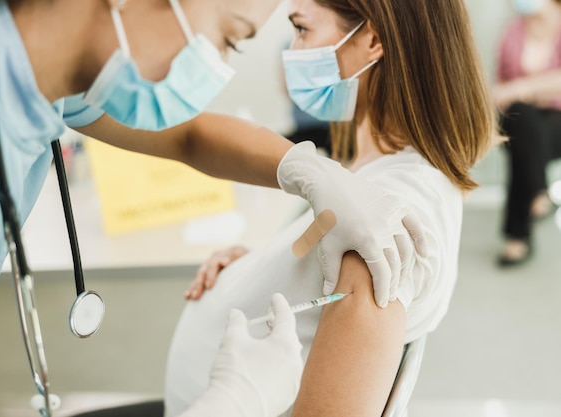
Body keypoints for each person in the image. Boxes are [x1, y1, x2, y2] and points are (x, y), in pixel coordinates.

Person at [0, 0, 430, 415]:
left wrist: (310, 172)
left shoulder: (41, 70)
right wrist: (231, 403)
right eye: (228, 38)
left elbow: (189, 135)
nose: (218, 65)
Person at [165, 0, 496, 416]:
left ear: (373, 40)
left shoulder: (381, 222)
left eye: (302, 29)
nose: (292, 50)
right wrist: (260, 267)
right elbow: (314, 245)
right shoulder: (371, 176)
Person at [494, 0, 561, 266]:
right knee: (522, 120)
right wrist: (535, 91)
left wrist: (522, 88)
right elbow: (500, 91)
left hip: (557, 123)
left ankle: (517, 237)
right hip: (521, 120)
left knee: (525, 143)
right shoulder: (512, 32)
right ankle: (540, 195)